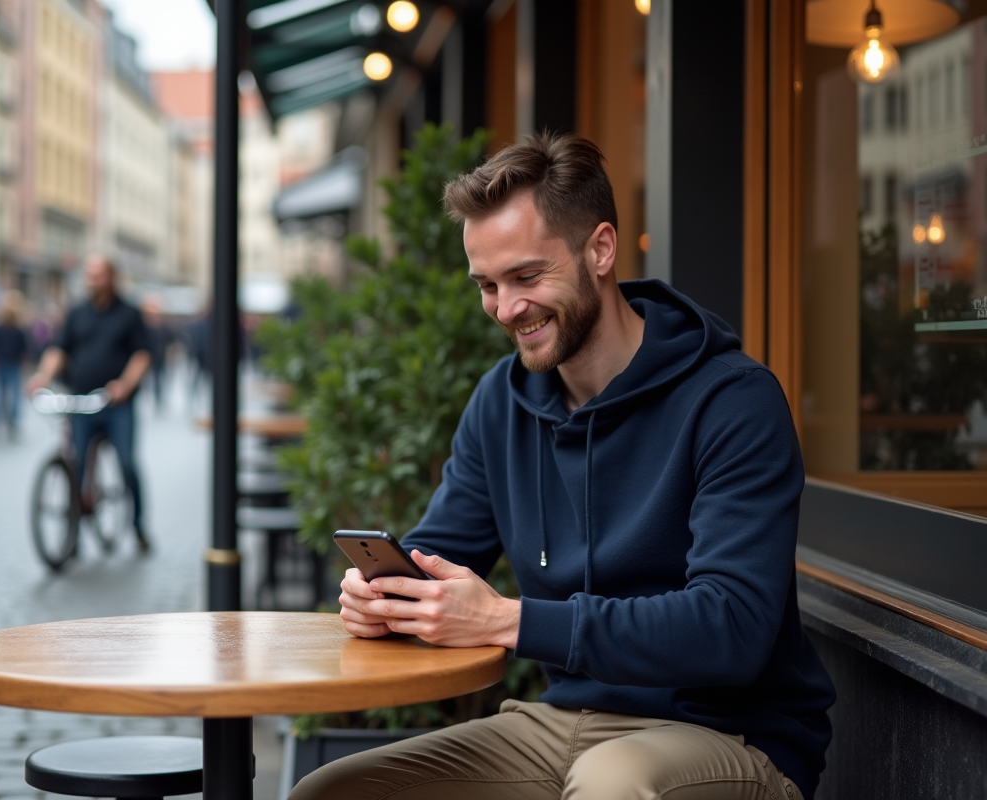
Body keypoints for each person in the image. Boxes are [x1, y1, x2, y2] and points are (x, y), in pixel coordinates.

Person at [293, 134, 836, 800]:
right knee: (333, 793)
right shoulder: (503, 400)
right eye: (487, 285)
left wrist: (505, 621)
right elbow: (441, 547)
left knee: (611, 786)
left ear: (600, 250)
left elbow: (732, 627)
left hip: (729, 734)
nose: (505, 308)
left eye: (526, 277)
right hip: (558, 726)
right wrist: (389, 594)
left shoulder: (731, 400)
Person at [27, 255, 152, 551]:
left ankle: (138, 525)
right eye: (90, 275)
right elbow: (60, 349)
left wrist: (125, 384)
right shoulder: (77, 313)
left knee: (126, 463)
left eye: (99, 275)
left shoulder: (129, 314)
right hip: (81, 400)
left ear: (112, 278)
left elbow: (142, 355)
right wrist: (43, 376)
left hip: (115, 403)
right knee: (77, 464)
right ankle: (73, 533)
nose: (93, 281)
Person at [0, 291, 29, 440]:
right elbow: (24, 350)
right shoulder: (18, 331)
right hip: (11, 365)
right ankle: (11, 423)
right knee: (12, 395)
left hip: (1, 364)